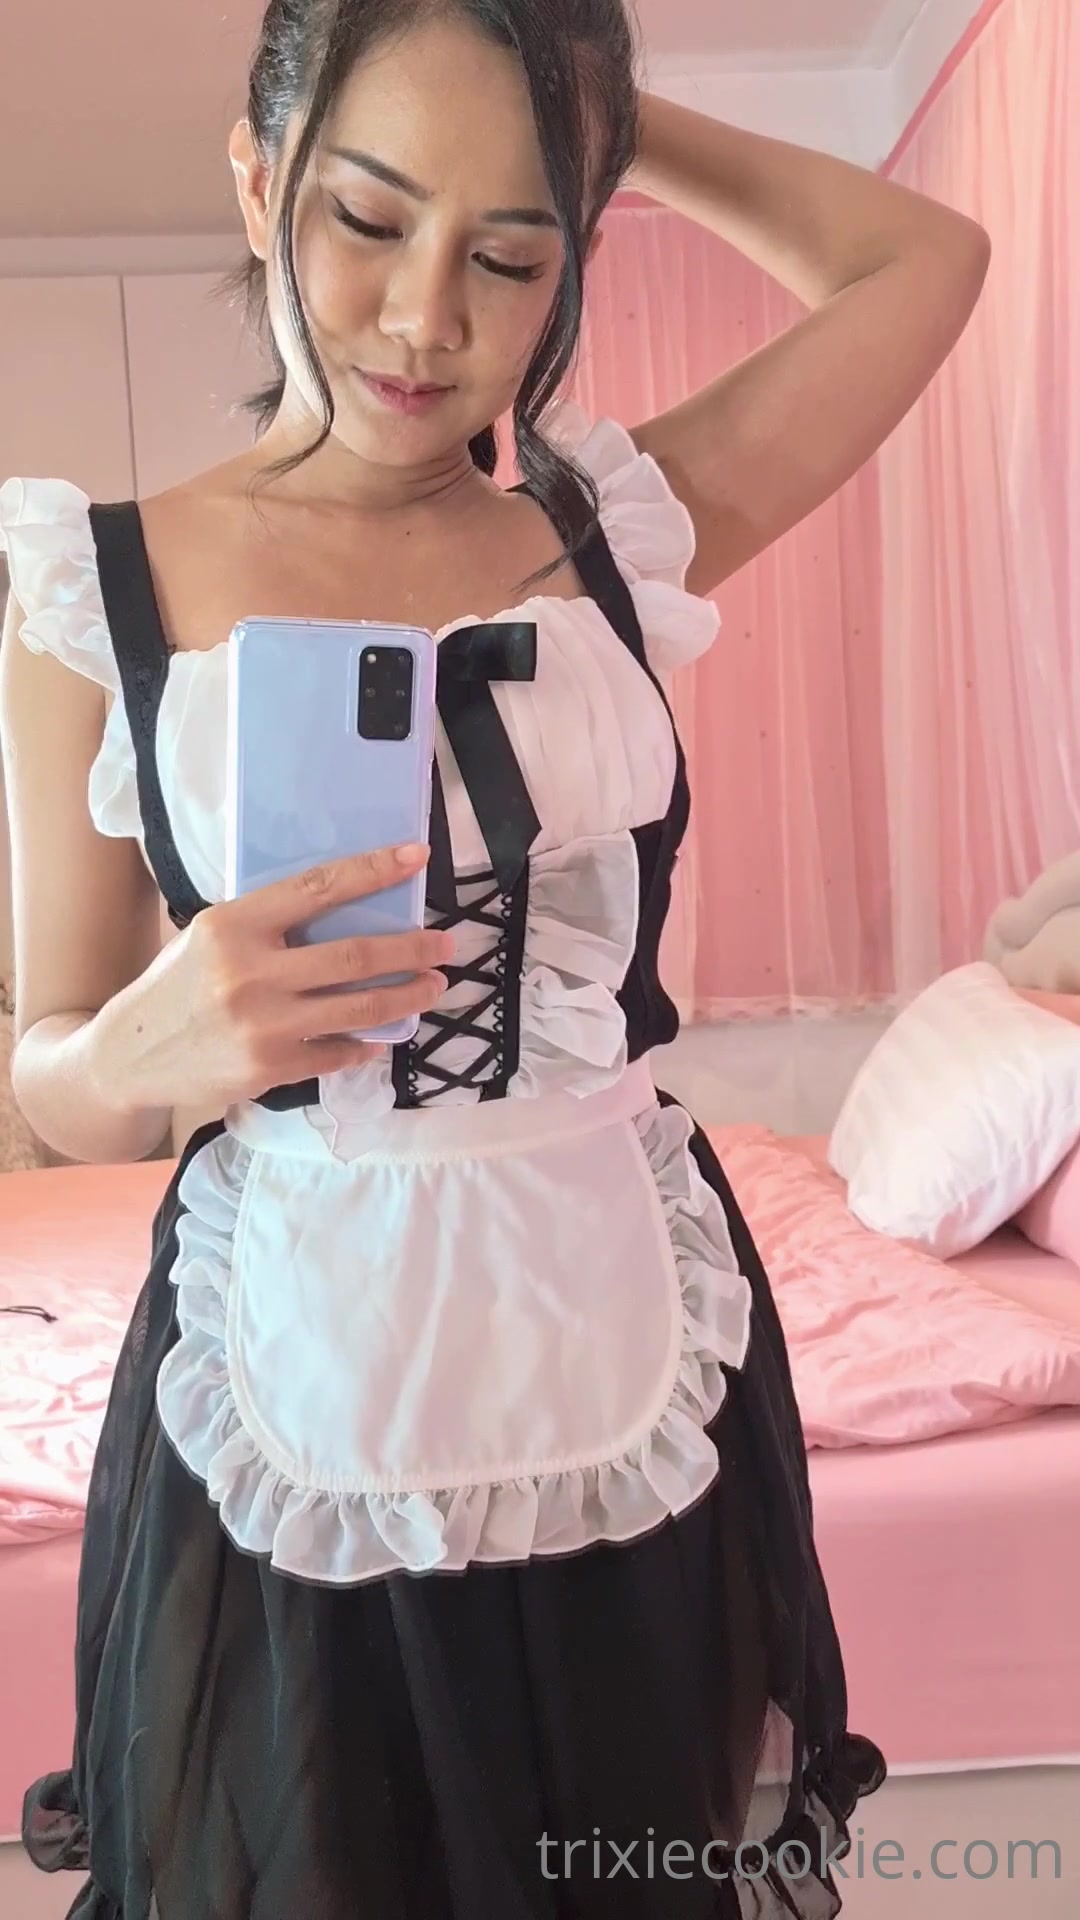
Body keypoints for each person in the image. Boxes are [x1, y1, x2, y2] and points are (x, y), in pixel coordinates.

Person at [0, 2, 988, 1914]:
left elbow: (920, 262)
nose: (423, 319)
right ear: (259, 183)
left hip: (618, 1344)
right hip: (294, 1374)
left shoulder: (618, 537)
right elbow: (50, 1084)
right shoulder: (89, 591)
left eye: (513, 253)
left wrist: (600, 110)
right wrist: (138, 1046)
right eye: (368, 219)